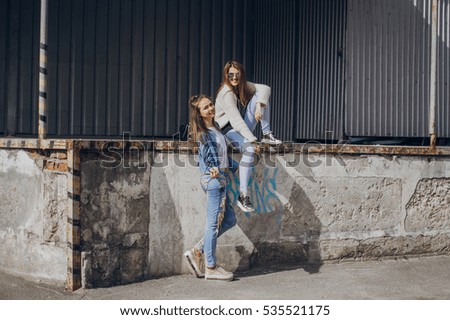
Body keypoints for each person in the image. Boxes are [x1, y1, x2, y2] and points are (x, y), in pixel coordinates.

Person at [215, 60, 282, 212]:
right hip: (228, 129)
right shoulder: (226, 93)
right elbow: (236, 120)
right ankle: (243, 195)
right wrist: (251, 140)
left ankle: (266, 134)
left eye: (237, 75)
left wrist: (259, 105)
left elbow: (265, 89)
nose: (234, 78)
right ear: (226, 75)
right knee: (250, 150)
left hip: (239, 127)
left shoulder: (242, 85)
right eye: (230, 75)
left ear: (241, 75)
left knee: (261, 97)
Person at [184, 94, 238, 281]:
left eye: (211, 104)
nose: (211, 108)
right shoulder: (203, 133)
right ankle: (211, 267)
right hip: (213, 180)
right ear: (199, 114)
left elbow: (221, 155)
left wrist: (236, 166)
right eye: (206, 107)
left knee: (230, 220)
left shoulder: (215, 129)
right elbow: (207, 156)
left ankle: (198, 249)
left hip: (221, 177)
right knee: (213, 224)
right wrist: (213, 167)